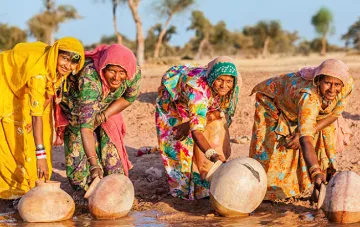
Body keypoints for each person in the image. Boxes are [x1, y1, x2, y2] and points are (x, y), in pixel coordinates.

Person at [249, 59, 353, 201]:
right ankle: (261, 190)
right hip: (272, 100)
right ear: (318, 81)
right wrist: (315, 171)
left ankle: (324, 186)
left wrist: (311, 129)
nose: (332, 89)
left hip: (305, 107)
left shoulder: (347, 85)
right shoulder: (309, 98)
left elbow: (334, 114)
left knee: (325, 139)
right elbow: (306, 139)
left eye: (337, 85)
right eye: (327, 83)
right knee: (271, 144)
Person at [0, 37, 84, 199]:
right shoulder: (38, 76)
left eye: (74, 62)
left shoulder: (55, 66)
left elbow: (49, 92)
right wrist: (40, 157)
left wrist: (35, 116)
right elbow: (36, 114)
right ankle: (12, 192)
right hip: (6, 82)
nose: (68, 66)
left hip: (25, 85)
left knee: (41, 129)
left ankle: (33, 181)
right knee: (14, 133)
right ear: (56, 55)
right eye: (65, 59)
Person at [60, 44, 141, 196]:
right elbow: (86, 128)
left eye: (121, 73)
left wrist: (104, 115)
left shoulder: (133, 71)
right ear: (104, 68)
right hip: (78, 110)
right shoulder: (90, 79)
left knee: (113, 164)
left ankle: (112, 193)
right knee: (79, 169)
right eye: (112, 71)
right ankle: (84, 198)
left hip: (107, 107)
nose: (117, 78)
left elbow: (129, 97)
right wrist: (93, 165)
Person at [155, 56, 240, 200]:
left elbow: (218, 112)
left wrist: (193, 122)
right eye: (219, 80)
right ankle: (181, 195)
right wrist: (212, 154)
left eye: (229, 81)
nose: (224, 85)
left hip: (198, 102)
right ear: (213, 78)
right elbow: (197, 132)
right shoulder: (198, 94)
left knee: (213, 131)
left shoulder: (233, 85)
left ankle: (203, 188)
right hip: (173, 103)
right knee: (179, 146)